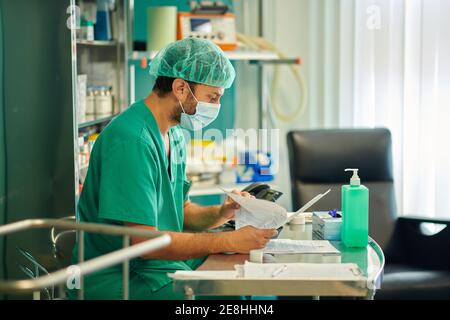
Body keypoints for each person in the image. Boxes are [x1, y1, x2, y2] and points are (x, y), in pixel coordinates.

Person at [68, 38, 277, 300]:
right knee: (225, 294)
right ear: (180, 88)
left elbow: (180, 210)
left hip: (155, 265)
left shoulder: (174, 135)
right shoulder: (132, 140)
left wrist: (223, 212)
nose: (215, 106)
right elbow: (144, 243)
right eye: (212, 97)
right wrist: (227, 241)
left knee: (243, 277)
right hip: (117, 277)